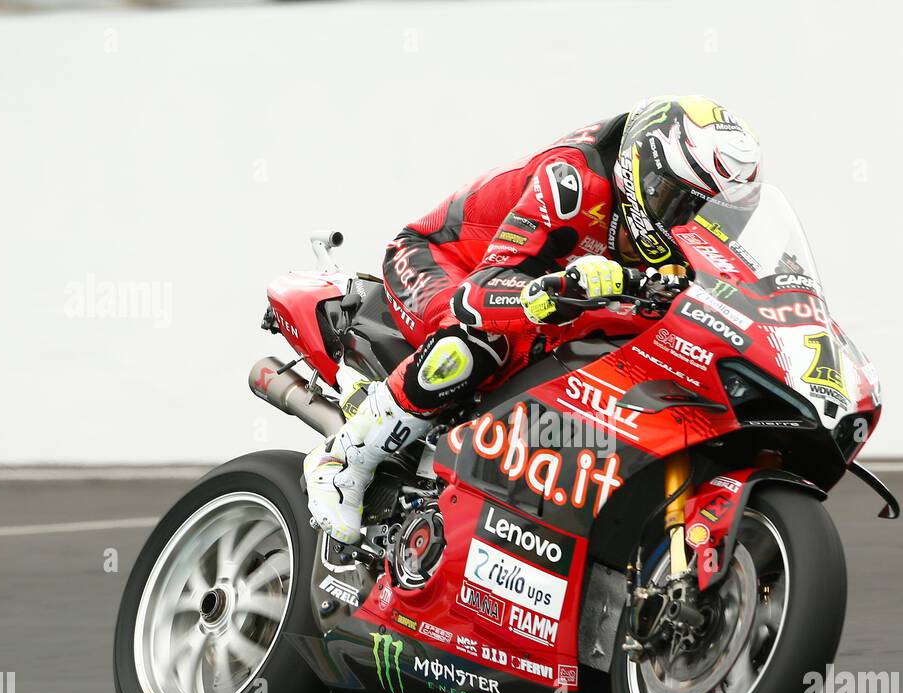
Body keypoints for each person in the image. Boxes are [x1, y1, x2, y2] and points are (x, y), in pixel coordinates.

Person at [305, 95, 763, 544]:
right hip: (442, 261)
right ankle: (345, 460)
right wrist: (558, 289)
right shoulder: (572, 181)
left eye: (716, 217)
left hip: (541, 286)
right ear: (646, 173)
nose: (695, 226)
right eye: (684, 205)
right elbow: (478, 296)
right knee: (482, 340)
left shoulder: (680, 241)